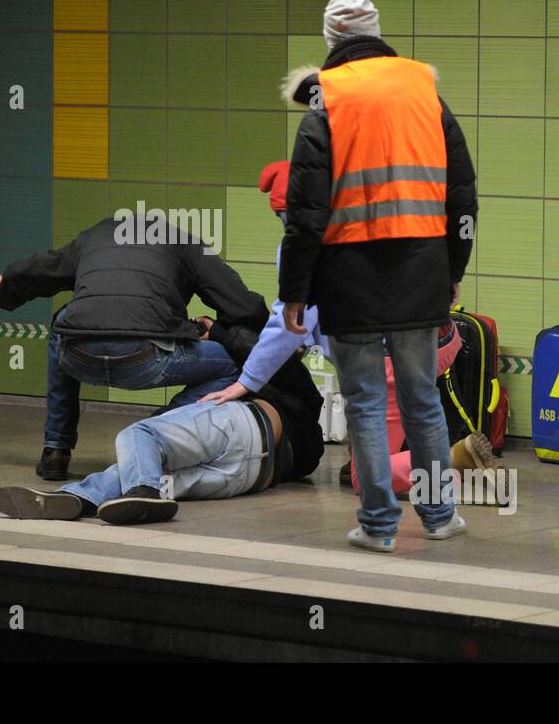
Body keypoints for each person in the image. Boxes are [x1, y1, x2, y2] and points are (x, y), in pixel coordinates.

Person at [281, 0, 479, 553]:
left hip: (350, 275)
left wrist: (294, 289)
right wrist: (452, 268)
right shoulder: (424, 90)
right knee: (423, 399)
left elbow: (305, 212)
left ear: (331, 40)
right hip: (421, 271)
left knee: (365, 402)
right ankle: (440, 515)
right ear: (376, 31)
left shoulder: (328, 98)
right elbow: (462, 194)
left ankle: (377, 526)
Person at [203, 161, 496, 496]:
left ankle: (454, 462)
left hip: (388, 359)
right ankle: (444, 470)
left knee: (368, 480)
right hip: (436, 338)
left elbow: (290, 323)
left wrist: (246, 381)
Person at [0, 213, 269, 481]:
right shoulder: (184, 242)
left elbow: (44, 268)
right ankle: (150, 436)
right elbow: (242, 303)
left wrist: (7, 293)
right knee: (241, 365)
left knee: (61, 326)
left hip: (79, 357)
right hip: (146, 359)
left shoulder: (95, 235)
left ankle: (55, 449)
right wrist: (271, 335)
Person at [0, 312, 324, 524]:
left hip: (245, 427)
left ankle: (117, 494)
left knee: (140, 435)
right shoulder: (306, 421)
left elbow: (262, 352)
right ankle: (78, 497)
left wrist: (220, 332)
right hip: (250, 477)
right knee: (149, 475)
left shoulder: (289, 374)